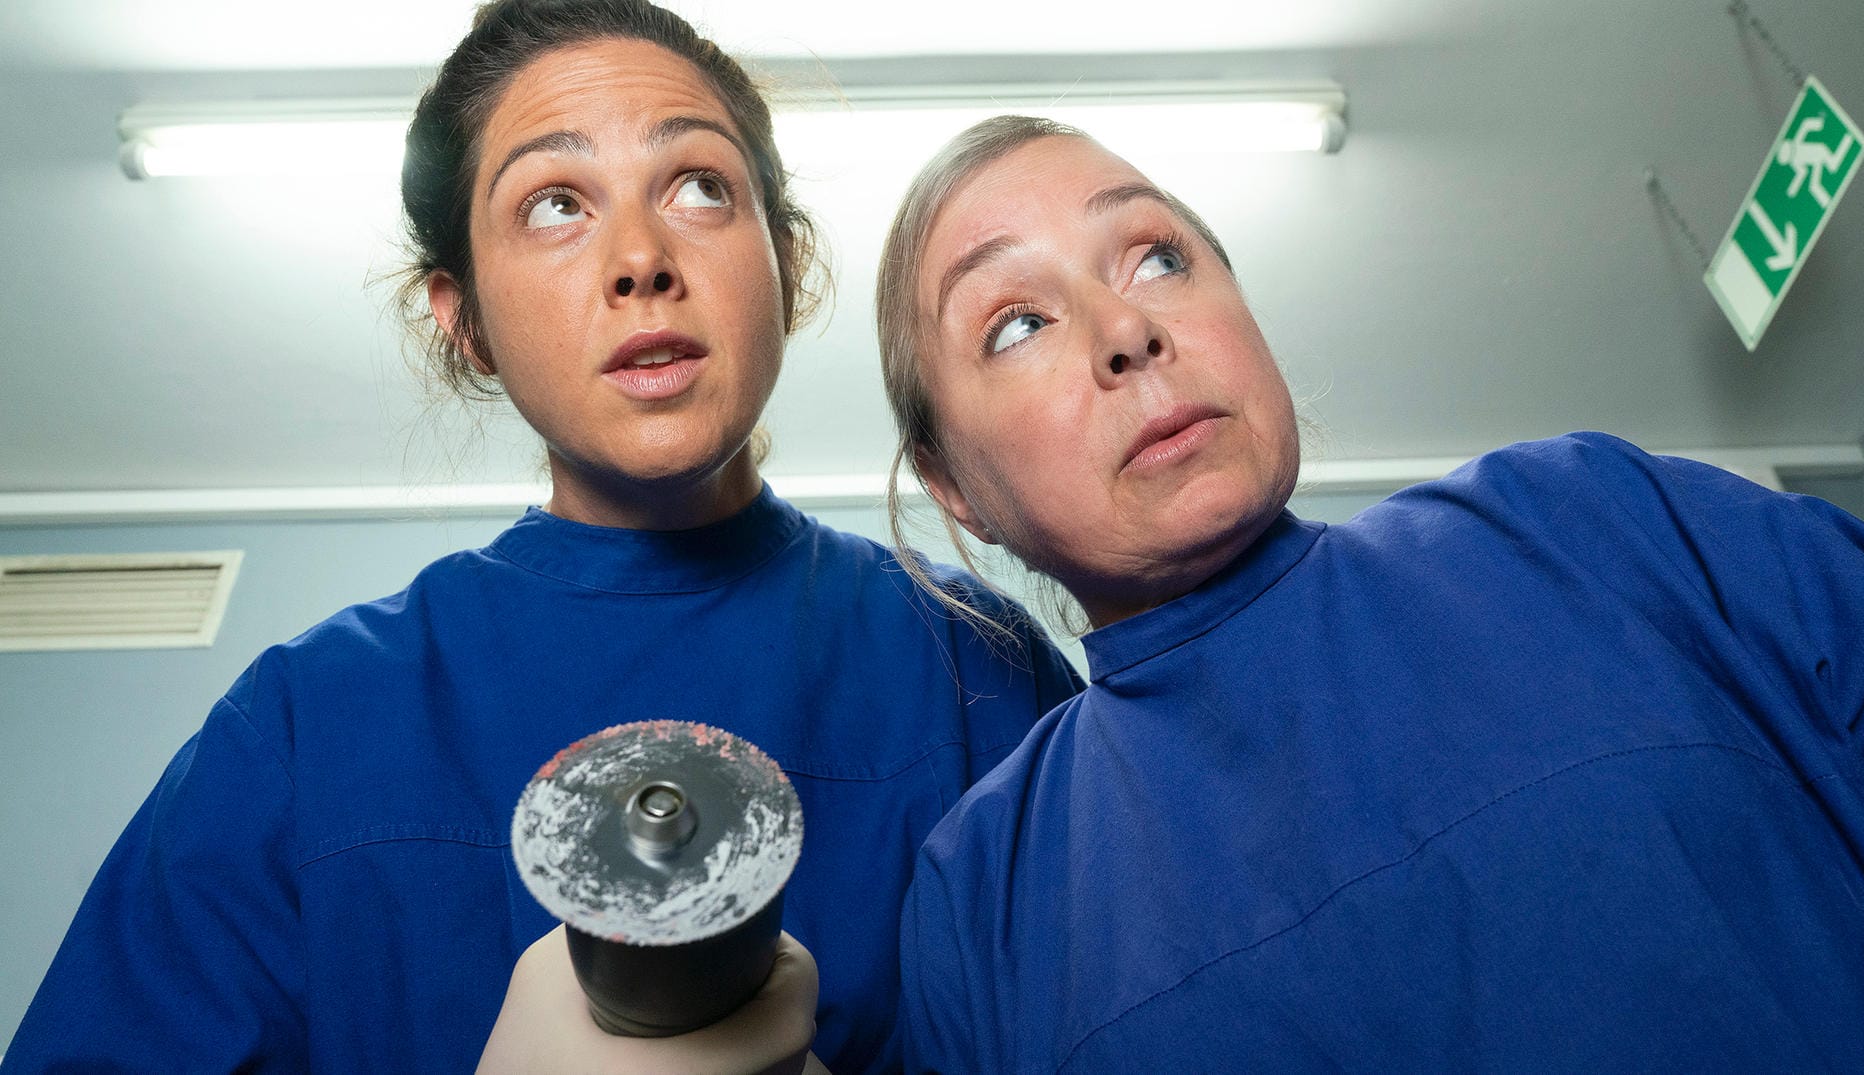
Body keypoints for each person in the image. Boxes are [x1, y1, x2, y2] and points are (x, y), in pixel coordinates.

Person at [2, 11, 1080, 1072]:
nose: (641, 258)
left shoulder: (968, 662)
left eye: (700, 185)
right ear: (462, 317)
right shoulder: (303, 727)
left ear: (785, 261)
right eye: (555, 203)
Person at [875, 115, 1864, 1072]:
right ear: (954, 486)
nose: (1125, 327)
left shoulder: (1596, 522)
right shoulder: (986, 906)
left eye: (1157, 258)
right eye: (1015, 323)